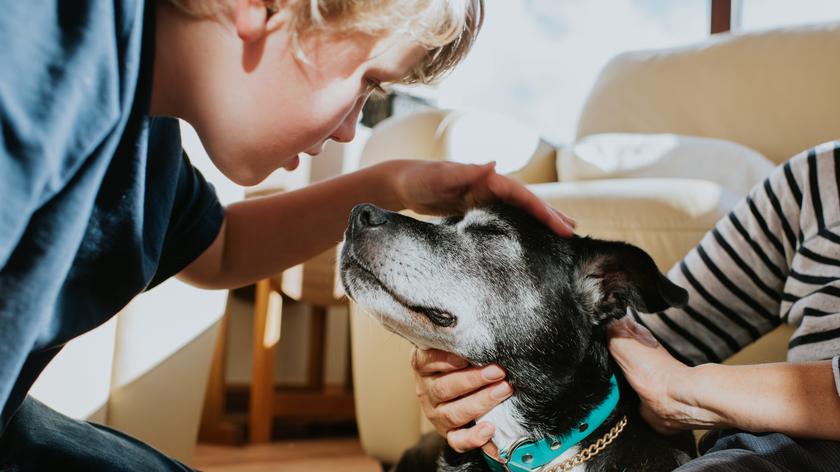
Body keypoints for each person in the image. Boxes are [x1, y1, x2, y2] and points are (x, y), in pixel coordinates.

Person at [0, 0, 577, 469]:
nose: (352, 128)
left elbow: (221, 251)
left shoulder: (149, 148)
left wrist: (395, 183)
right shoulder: (32, 66)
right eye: (366, 82)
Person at [405, 142, 840, 471]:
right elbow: (654, 333)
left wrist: (689, 390)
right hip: (767, 446)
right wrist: (467, 385)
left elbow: (667, 382)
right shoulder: (814, 182)